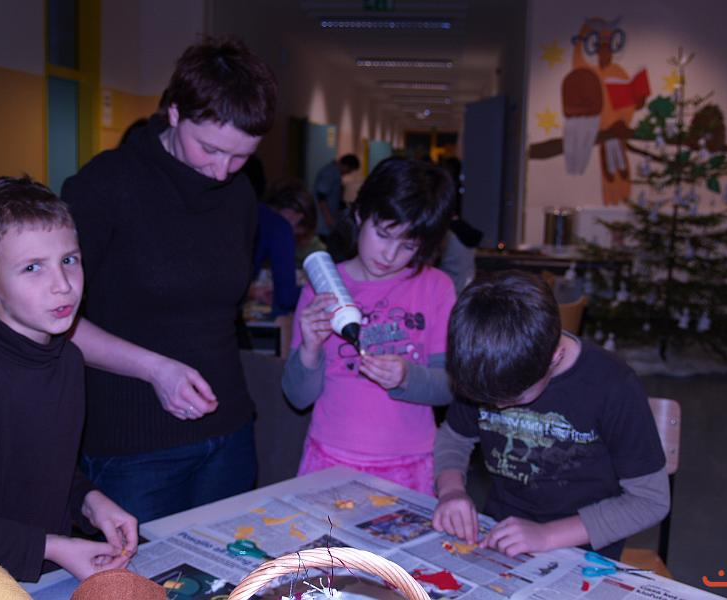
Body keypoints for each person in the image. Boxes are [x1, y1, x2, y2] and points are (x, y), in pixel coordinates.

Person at [60, 37, 278, 522]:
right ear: (174, 112)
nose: (222, 170)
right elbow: (53, 321)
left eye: (241, 156)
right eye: (210, 148)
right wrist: (155, 369)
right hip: (134, 446)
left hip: (229, 432)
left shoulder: (239, 194)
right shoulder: (106, 185)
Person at [0, 177, 138, 590]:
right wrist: (50, 547)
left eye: (69, 260)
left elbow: (39, 469)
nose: (62, 284)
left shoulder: (68, 360)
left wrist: (90, 501)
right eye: (32, 267)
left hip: (46, 574)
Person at [433, 271, 669, 559]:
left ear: (554, 358)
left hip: (583, 547)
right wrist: (451, 491)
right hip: (499, 534)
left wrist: (547, 535)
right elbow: (454, 438)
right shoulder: (484, 366)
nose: (499, 407)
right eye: (485, 401)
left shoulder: (612, 385)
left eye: (514, 399)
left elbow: (650, 501)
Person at [282, 157, 457, 494]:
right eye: (383, 234)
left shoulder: (436, 287)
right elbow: (297, 397)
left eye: (408, 245)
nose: (389, 255)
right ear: (361, 213)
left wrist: (407, 377)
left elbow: (451, 385)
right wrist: (309, 349)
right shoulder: (322, 286)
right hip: (329, 458)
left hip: (411, 462)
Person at [251, 179, 317, 317]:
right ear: (298, 217)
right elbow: (286, 298)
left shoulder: (252, 211)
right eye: (297, 235)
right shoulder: (280, 227)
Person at [314, 154, 360, 241]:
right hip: (323, 221)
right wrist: (328, 218)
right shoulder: (330, 173)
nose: (349, 173)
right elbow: (321, 196)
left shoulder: (334, 173)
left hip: (326, 220)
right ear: (346, 166)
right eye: (350, 170)